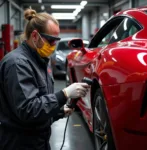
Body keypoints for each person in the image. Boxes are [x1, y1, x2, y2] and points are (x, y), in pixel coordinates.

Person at [0, 8, 90, 150]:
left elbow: (41, 103)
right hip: (20, 143)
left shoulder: (40, 61)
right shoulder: (17, 64)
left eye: (56, 41)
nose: (53, 46)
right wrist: (64, 94)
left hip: (38, 140)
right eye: (51, 41)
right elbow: (28, 110)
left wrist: (59, 111)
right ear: (35, 36)